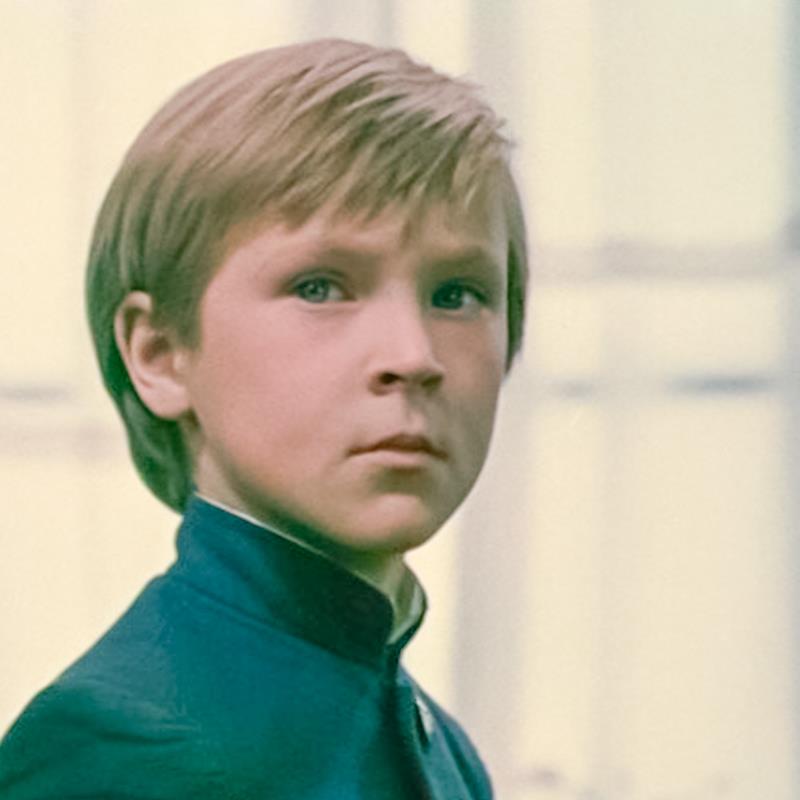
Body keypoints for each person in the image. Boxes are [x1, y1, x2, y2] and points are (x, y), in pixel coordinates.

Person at [0, 38, 527, 799]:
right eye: (320, 287)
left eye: (457, 295)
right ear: (160, 354)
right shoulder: (118, 751)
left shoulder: (442, 749)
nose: (413, 355)